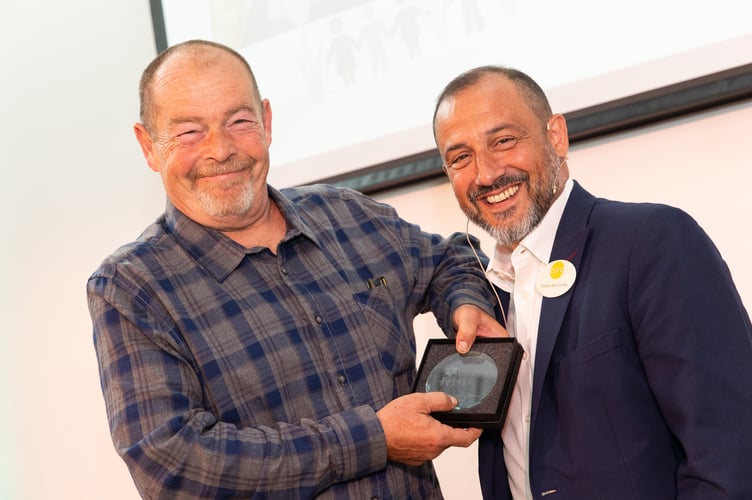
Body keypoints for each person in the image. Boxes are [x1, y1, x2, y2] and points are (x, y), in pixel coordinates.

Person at [87, 40, 507, 499]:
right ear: (148, 145)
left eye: (239, 121)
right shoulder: (131, 287)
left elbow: (450, 259)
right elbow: (177, 467)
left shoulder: (348, 215)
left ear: (266, 122)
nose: (221, 149)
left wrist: (466, 302)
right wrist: (373, 439)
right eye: (189, 132)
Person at [432, 65, 752, 499]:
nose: (486, 174)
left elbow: (730, 451)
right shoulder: (485, 299)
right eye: (460, 158)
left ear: (556, 136)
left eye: (503, 141)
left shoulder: (650, 241)